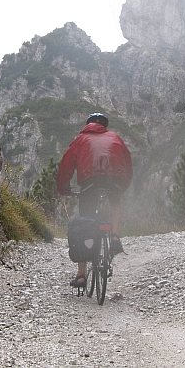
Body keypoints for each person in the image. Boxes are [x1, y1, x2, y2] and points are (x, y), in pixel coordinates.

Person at [57, 112, 133, 288]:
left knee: (85, 222)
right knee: (115, 202)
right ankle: (114, 236)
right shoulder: (116, 138)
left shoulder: (80, 140)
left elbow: (65, 167)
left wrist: (64, 189)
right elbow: (127, 164)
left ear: (88, 125)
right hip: (115, 180)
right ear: (104, 126)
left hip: (90, 182)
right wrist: (124, 186)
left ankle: (81, 275)